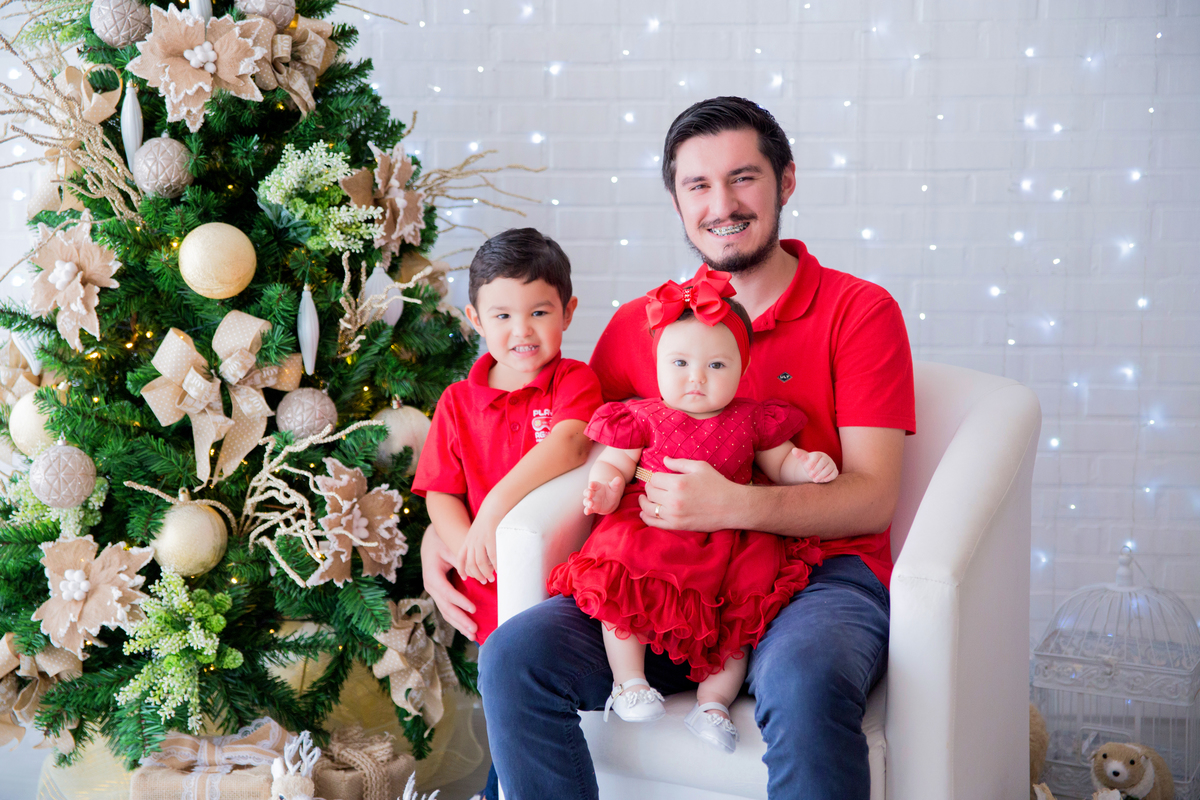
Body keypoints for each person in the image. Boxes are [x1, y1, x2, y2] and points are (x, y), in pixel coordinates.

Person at [426, 96, 915, 799]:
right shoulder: (641, 325)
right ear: (677, 199)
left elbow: (873, 496)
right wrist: (447, 529)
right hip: (663, 577)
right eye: (698, 185)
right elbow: (566, 440)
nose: (723, 203)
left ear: (787, 181)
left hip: (819, 580)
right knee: (514, 657)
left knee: (807, 680)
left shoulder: (858, 311)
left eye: (744, 177)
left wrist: (736, 505)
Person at [547, 269, 838, 754]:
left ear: (743, 371)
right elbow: (615, 464)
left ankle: (714, 704)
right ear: (657, 365)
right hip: (652, 528)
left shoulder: (752, 418)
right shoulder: (642, 416)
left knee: (738, 625)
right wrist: (605, 488)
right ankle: (629, 681)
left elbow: (781, 463)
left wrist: (807, 465)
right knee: (624, 593)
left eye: (716, 366)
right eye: (679, 362)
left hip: (730, 541)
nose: (696, 378)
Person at [413, 227, 602, 644]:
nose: (522, 331)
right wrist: (468, 551)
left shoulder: (573, 380)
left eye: (539, 313)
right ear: (476, 319)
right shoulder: (456, 401)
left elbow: (570, 445)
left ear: (568, 312)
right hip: (484, 593)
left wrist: (495, 505)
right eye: (503, 316)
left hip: (562, 589)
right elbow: (441, 491)